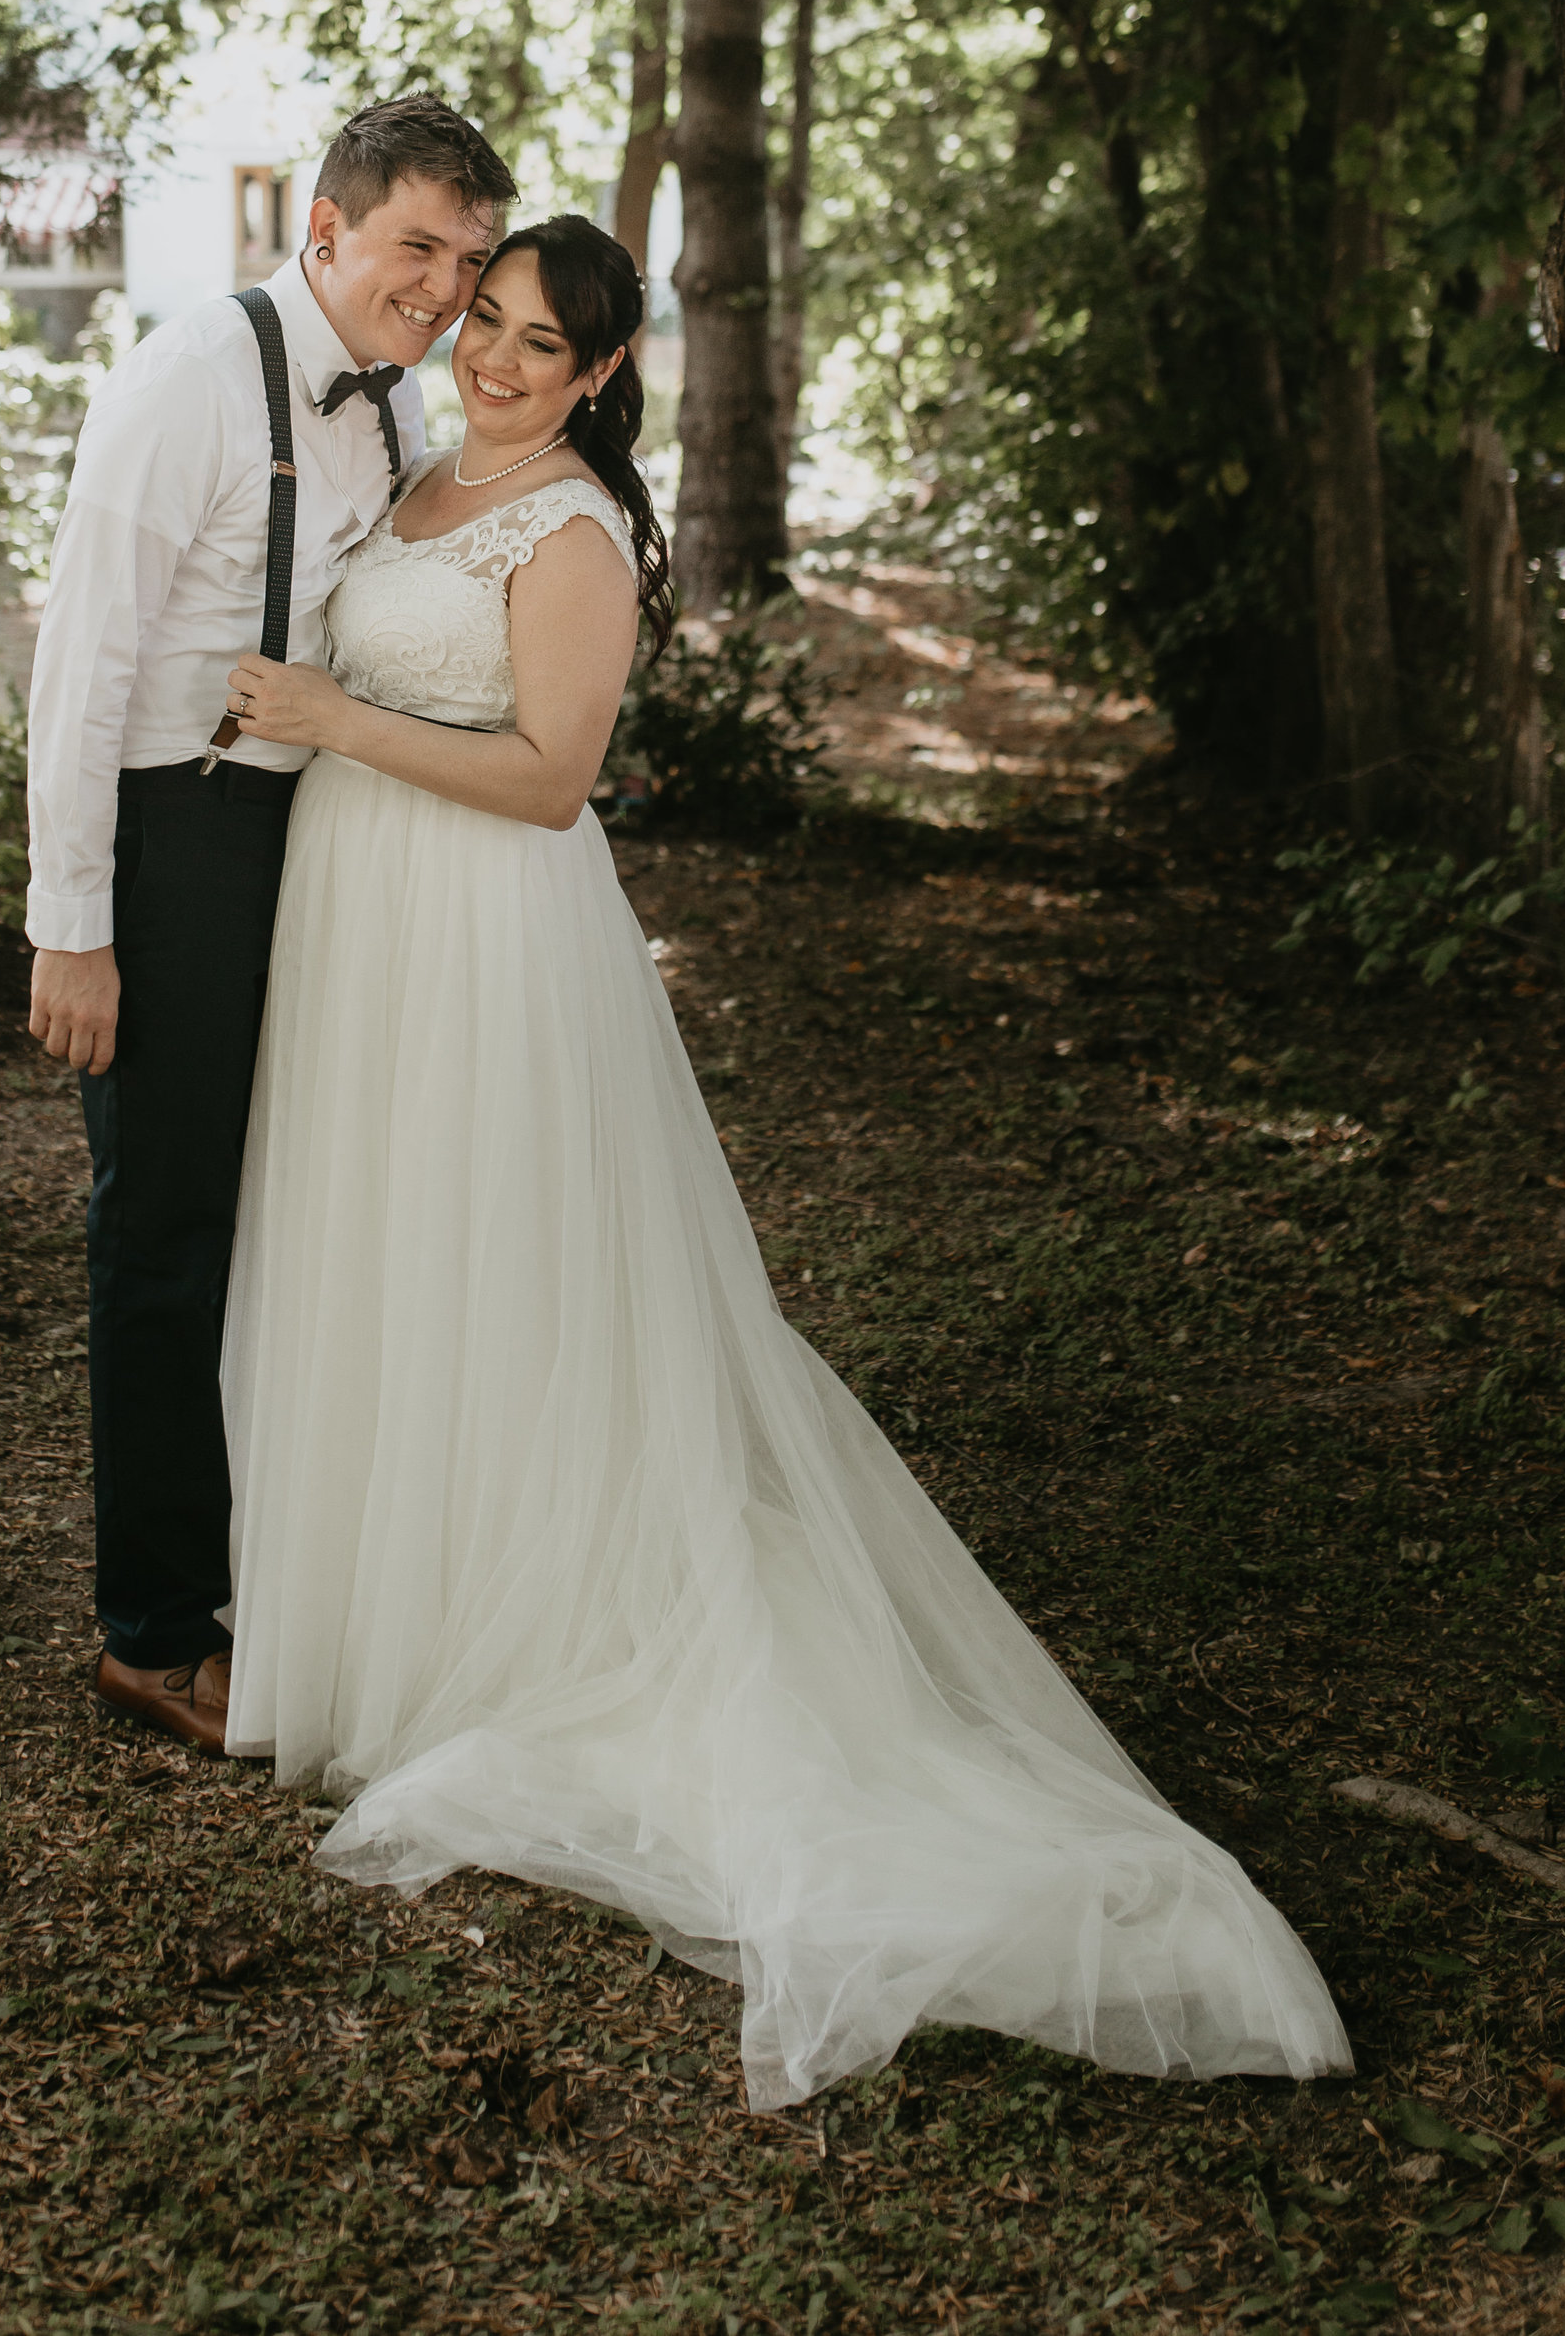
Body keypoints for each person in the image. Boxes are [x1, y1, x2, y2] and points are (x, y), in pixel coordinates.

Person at [215, 214, 1352, 2111]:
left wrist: (336, 713)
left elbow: (555, 774)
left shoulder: (569, 529)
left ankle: (514, 1619)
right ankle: (369, 1602)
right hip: (363, 928)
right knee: (388, 1260)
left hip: (486, 935)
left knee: (496, 1267)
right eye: (480, 320)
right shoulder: (414, 471)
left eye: (534, 342)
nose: (490, 356)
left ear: (600, 373)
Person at [25, 96, 517, 1750]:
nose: (441, 288)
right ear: (325, 227)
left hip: (303, 835)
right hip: (175, 836)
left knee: (280, 1214)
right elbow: (82, 655)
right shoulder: (189, 376)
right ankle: (155, 1632)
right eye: (414, 248)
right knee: (162, 1230)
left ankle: (270, 1571)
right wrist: (72, 921)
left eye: (463, 259)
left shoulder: (383, 410)